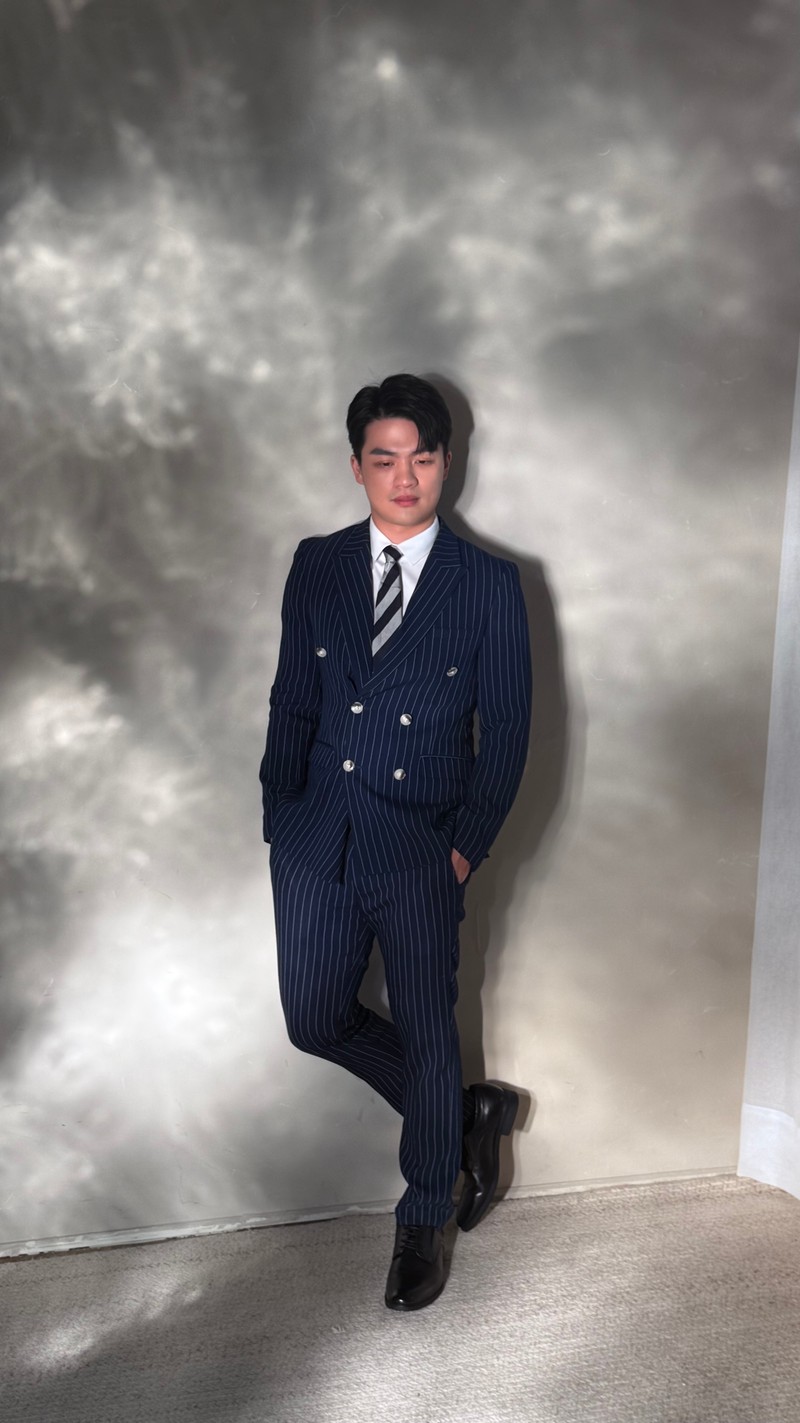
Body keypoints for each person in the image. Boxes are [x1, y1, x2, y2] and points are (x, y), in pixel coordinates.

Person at [259, 374, 532, 1310]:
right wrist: (279, 811)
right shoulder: (318, 564)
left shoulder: (489, 583)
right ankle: (463, 1115)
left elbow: (510, 728)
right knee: (314, 1017)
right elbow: (292, 697)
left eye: (422, 457)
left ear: (446, 462)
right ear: (357, 467)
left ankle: (424, 1215)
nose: (404, 476)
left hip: (420, 843)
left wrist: (463, 847)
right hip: (314, 839)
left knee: (426, 1024)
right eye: (385, 458)